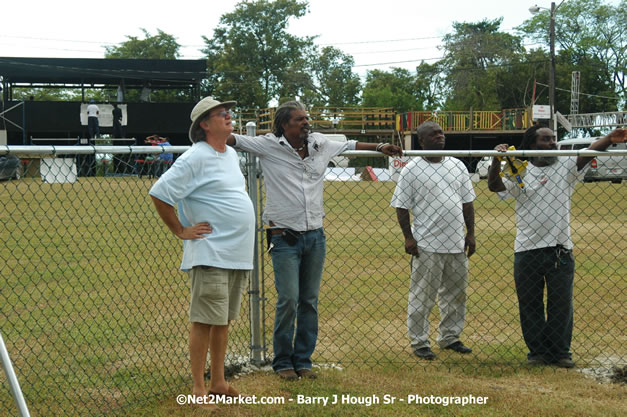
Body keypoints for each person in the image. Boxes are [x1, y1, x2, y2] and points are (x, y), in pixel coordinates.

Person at [227, 100, 402, 380]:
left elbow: (350, 145)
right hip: (283, 236)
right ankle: (283, 361)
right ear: (284, 125)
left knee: (309, 300)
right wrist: (216, 119)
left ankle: (303, 360)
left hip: (315, 236)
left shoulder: (320, 142)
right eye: (299, 120)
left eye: (306, 118)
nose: (306, 123)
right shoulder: (268, 145)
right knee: (289, 299)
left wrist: (380, 148)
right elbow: (232, 139)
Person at [487, 126, 626, 368]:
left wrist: (609, 139)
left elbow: (588, 152)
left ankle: (561, 353)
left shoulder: (565, 167)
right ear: (531, 145)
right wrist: (496, 161)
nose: (553, 143)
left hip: (560, 248)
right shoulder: (519, 170)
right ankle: (538, 353)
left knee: (561, 304)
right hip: (526, 249)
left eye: (554, 139)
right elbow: (494, 186)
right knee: (530, 304)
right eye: (546, 139)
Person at [149, 97, 255, 410]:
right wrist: (181, 230)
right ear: (204, 125)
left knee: (222, 320)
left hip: (236, 253)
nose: (229, 116)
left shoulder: (231, 153)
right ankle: (198, 386)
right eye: (222, 114)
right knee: (204, 321)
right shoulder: (195, 156)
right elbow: (160, 192)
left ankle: (218, 382)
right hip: (210, 252)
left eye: (229, 112)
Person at [390, 121, 476, 361]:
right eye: (434, 135)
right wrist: (409, 237)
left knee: (456, 294)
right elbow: (401, 206)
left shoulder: (457, 166)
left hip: (456, 243)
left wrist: (471, 234)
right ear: (422, 141)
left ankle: (449, 337)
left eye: (441, 133)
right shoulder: (412, 169)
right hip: (427, 244)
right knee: (422, 296)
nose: (440, 137)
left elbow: (467, 203)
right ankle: (419, 341)